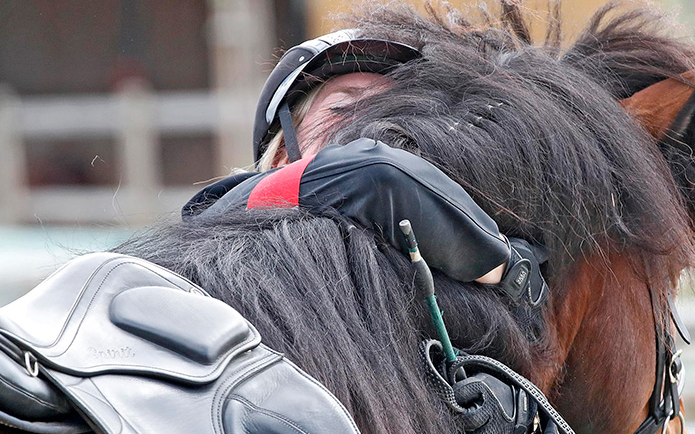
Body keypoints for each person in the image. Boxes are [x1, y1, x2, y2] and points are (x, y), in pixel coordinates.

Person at [183, 30, 547, 306]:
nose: (375, 125)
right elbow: (374, 173)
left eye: (393, 108)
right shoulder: (241, 206)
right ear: (281, 155)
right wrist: (508, 268)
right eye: (346, 106)